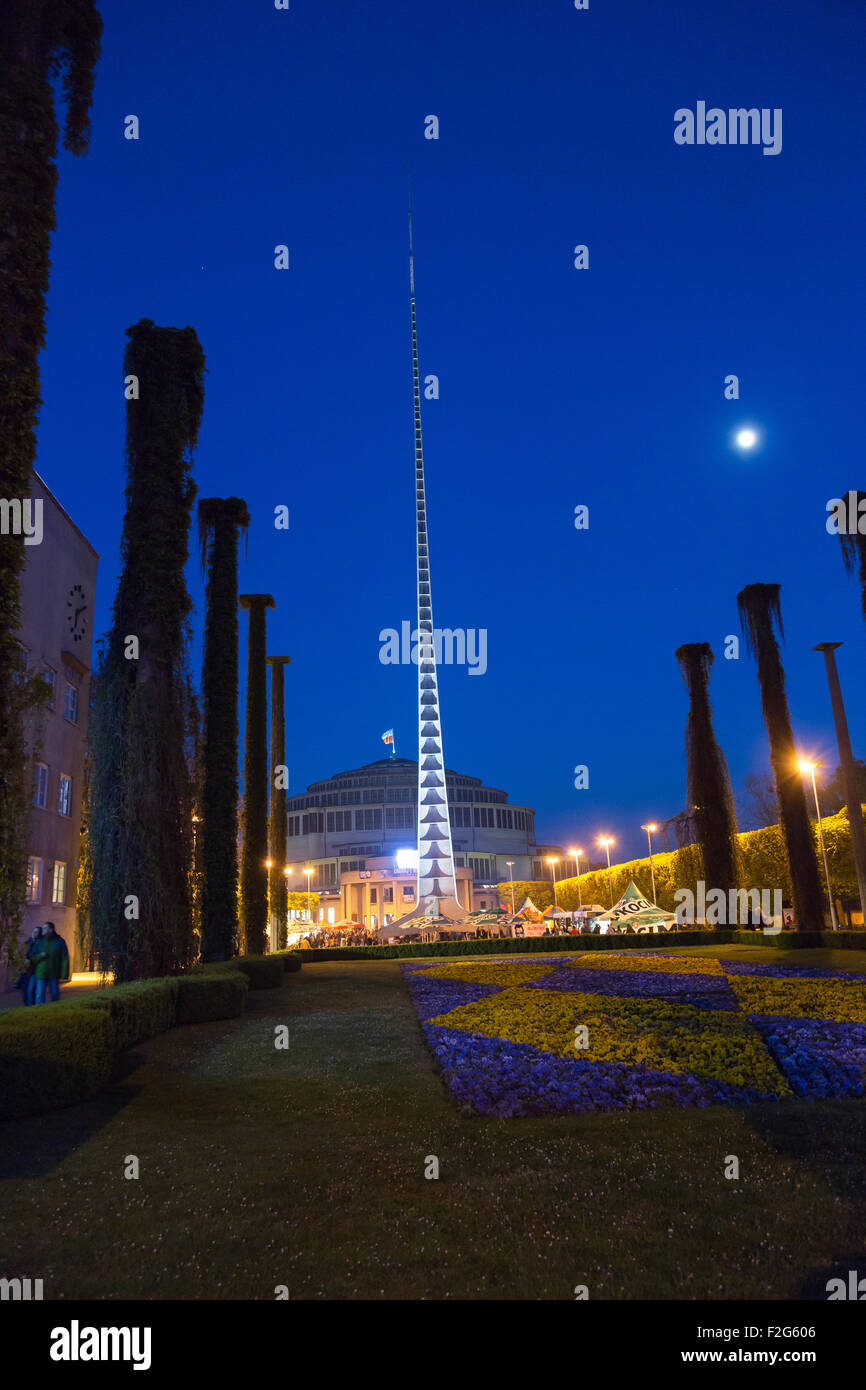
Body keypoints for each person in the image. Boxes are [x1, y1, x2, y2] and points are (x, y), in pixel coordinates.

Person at [31, 921, 70, 1003]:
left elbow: (64, 957)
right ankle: (39, 1012)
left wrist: (65, 973)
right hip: (41, 972)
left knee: (55, 994)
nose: (43, 930)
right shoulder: (39, 942)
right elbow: (33, 957)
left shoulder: (59, 941)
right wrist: (40, 956)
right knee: (39, 995)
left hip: (54, 972)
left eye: (45, 928)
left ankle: (54, 1011)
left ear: (51, 929)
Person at [18, 925, 43, 1006]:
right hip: (25, 971)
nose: (34, 933)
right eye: (33, 931)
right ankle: (28, 1006)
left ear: (39, 934)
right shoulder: (28, 942)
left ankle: (30, 1007)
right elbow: (22, 954)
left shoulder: (40, 944)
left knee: (30, 990)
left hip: (34, 971)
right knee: (24, 991)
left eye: (36, 932)